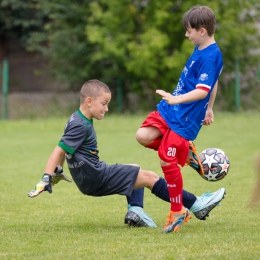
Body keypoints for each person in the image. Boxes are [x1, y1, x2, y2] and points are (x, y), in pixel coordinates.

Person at [28, 79, 226, 228]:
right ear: (89, 101)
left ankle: (135, 211)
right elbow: (59, 149)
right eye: (103, 103)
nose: (107, 108)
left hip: (90, 176)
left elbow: (64, 148)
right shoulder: (80, 126)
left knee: (133, 169)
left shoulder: (75, 118)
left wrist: (58, 170)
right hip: (95, 176)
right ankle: (196, 204)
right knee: (148, 177)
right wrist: (46, 178)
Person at [135, 5, 224, 233]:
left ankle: (178, 211)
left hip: (185, 118)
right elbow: (211, 86)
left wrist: (183, 101)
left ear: (202, 31)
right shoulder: (200, 48)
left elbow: (204, 89)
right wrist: (210, 109)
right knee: (142, 136)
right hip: (172, 110)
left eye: (189, 30)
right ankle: (187, 154)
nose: (187, 34)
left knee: (166, 159)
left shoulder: (212, 56)